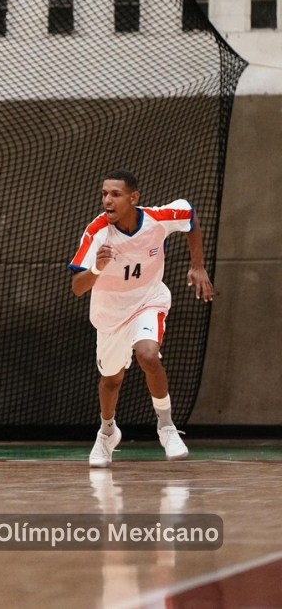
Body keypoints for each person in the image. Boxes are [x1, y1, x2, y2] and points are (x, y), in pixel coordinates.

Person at [69, 170, 213, 468]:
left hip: (148, 300)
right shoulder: (96, 232)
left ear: (134, 197)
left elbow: (189, 215)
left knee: (148, 355)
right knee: (111, 381)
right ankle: (108, 432)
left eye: (115, 194)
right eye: (104, 194)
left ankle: (166, 426)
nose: (107, 200)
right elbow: (78, 288)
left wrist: (197, 266)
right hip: (110, 314)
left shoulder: (158, 219)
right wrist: (96, 268)